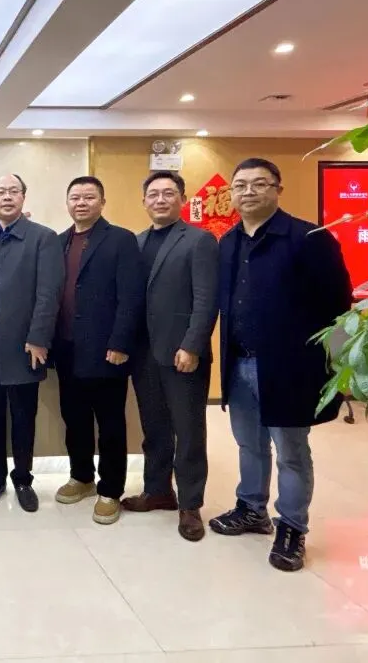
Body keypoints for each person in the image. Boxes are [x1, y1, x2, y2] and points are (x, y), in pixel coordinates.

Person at [210, 158, 352, 572]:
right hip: (239, 362)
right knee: (249, 443)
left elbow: (339, 306)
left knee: (291, 451)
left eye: (259, 184)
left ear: (278, 189)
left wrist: (340, 368)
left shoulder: (308, 238)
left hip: (290, 367)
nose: (248, 192)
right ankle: (251, 508)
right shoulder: (228, 242)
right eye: (240, 185)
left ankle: (291, 526)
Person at [124, 171, 218, 542]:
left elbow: (206, 298)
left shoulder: (199, 240)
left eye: (168, 193)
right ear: (144, 201)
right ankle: (158, 490)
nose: (160, 200)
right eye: (153, 194)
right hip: (144, 353)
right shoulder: (137, 242)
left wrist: (192, 345)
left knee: (189, 430)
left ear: (182, 199)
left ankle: (190, 504)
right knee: (154, 427)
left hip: (182, 353)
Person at [52, 176, 145, 525]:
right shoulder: (59, 242)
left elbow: (131, 296)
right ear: (67, 203)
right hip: (67, 348)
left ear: (102, 202)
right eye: (75, 197)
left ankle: (110, 490)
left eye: (89, 197)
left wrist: (120, 342)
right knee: (73, 417)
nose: (81, 203)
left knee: (110, 423)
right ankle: (81, 476)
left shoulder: (120, 239)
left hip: (107, 350)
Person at [0, 174, 63, 512]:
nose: (7, 197)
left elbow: (49, 292)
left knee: (24, 417)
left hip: (25, 346)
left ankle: (22, 479)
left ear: (23, 197)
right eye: (1, 191)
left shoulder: (43, 238)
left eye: (13, 191)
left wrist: (39, 337)